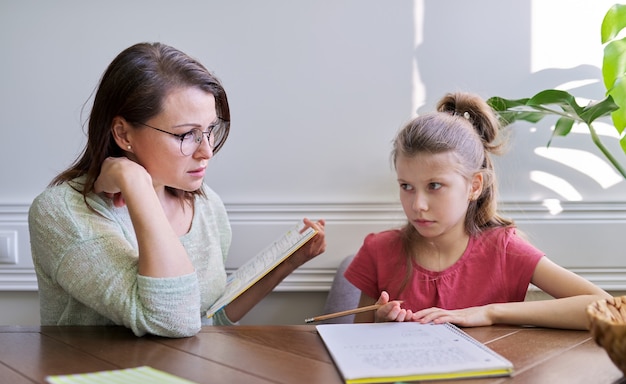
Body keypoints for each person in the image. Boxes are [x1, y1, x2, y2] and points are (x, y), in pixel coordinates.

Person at [28, 42, 326, 338]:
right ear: (123, 133)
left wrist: (286, 264)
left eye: (210, 130)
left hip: (186, 380)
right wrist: (136, 184)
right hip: (97, 383)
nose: (207, 151)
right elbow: (173, 319)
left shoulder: (207, 206)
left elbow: (203, 322)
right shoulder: (59, 213)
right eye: (186, 134)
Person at [344, 92, 610, 330]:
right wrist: (380, 324)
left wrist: (489, 312)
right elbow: (355, 343)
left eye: (434, 186)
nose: (418, 205)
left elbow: (606, 307)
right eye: (407, 186)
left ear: (474, 186)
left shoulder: (505, 249)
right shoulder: (378, 251)